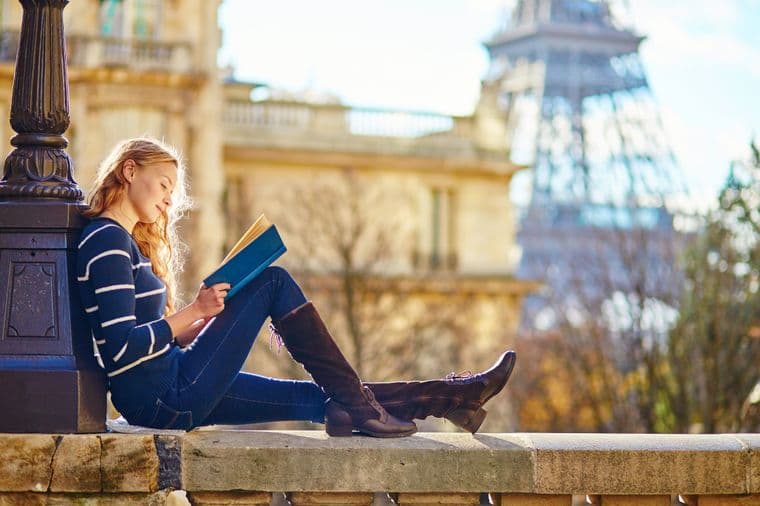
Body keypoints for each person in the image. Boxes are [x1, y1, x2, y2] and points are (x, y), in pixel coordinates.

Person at [76, 137, 517, 438]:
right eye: (165, 185)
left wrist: (193, 327)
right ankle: (382, 406)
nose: (170, 199)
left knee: (321, 398)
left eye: (173, 191)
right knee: (271, 280)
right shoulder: (107, 240)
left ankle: (451, 398)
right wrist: (195, 311)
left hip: (169, 383)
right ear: (129, 171)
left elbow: (141, 338)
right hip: (162, 396)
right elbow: (120, 350)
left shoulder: (121, 243)